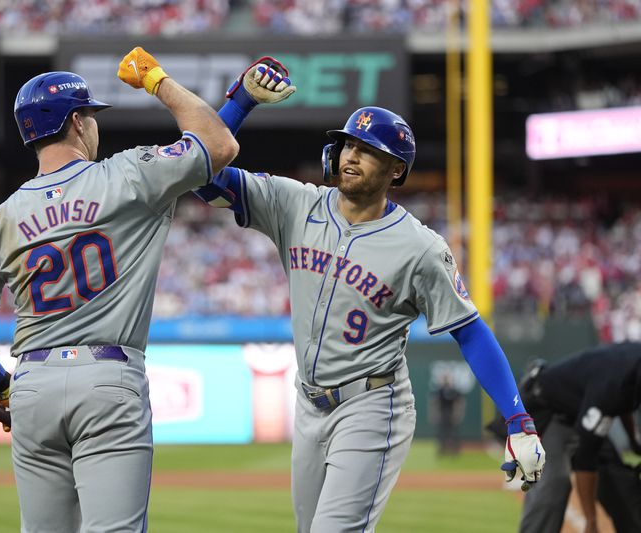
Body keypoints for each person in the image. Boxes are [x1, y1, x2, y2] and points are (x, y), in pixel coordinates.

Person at [194, 59, 547, 532]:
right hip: (309, 402)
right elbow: (202, 178)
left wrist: (517, 418)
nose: (351, 157)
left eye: (368, 150)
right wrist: (241, 102)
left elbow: (470, 331)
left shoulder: (420, 247)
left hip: (371, 404)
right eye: (347, 144)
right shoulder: (296, 204)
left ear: (396, 169)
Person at [0, 47, 238, 532]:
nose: (95, 126)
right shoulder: (128, 175)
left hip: (32, 386)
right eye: (91, 116)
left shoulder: (0, 219)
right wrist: (158, 81)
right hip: (107, 380)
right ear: (77, 122)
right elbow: (217, 144)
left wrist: (0, 384)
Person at [513, 344, 641, 533]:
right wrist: (590, 521)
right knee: (554, 483)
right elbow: (585, 458)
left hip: (583, 410)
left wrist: (633, 440)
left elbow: (624, 402)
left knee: (621, 483)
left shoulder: (632, 369)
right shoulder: (610, 386)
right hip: (548, 411)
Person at [429, 370, 466, 456]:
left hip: (451, 413)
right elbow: (434, 402)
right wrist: (434, 414)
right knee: (441, 433)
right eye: (444, 379)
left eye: (447, 379)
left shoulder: (453, 391)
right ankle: (442, 450)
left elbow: (459, 402)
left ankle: (455, 450)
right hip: (442, 413)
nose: (445, 380)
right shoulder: (439, 391)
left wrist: (458, 413)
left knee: (454, 433)